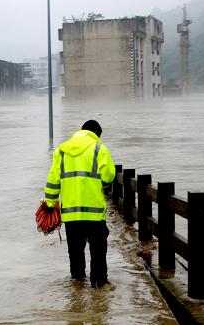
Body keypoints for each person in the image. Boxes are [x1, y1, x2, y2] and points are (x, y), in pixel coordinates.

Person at [43, 120, 116, 288]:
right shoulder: (99, 149)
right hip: (94, 213)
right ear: (97, 134)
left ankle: (77, 285)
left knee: (75, 250)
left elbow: (53, 180)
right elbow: (108, 177)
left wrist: (49, 202)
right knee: (98, 250)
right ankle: (98, 283)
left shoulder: (61, 150)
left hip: (70, 213)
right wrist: (101, 185)